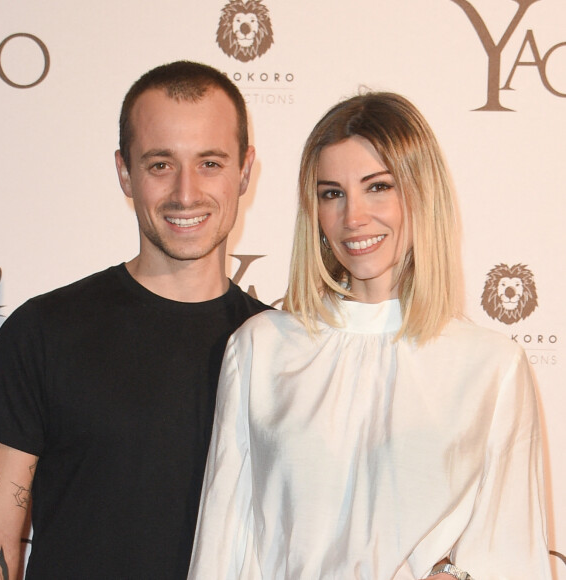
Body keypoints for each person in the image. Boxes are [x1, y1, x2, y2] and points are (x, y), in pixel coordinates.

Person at [188, 92, 552, 579]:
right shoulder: (261, 348)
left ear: (422, 192)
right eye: (331, 192)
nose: (353, 216)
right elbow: (221, 545)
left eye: (378, 187)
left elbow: (513, 555)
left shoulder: (491, 366)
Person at [0, 60, 270, 579]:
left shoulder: (282, 351)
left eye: (210, 162)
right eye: (161, 164)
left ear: (245, 170)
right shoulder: (42, 332)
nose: (186, 193)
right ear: (124, 172)